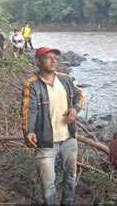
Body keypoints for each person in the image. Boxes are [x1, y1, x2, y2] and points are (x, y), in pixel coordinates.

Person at [21, 47, 85, 205]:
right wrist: (28, 131)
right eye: (48, 58)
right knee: (48, 183)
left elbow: (80, 95)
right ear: (38, 61)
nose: (53, 61)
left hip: (69, 139)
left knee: (70, 176)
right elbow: (29, 110)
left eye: (55, 58)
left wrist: (74, 109)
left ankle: (67, 203)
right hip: (46, 142)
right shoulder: (32, 84)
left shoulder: (65, 79)